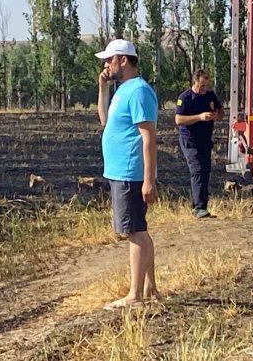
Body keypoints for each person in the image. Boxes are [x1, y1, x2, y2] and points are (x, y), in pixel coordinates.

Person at [95, 39, 161, 309]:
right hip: (120, 171)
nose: (106, 65)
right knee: (138, 230)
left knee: (134, 231)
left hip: (130, 173)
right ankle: (150, 288)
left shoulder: (139, 92)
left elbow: (149, 138)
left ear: (123, 60)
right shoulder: (123, 90)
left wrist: (148, 180)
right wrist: (102, 88)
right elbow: (105, 122)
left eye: (110, 60)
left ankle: (135, 295)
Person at [174, 69, 224, 218]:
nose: (204, 89)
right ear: (194, 82)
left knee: (205, 170)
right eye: (202, 85)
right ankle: (199, 207)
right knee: (197, 170)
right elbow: (179, 120)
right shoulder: (185, 97)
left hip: (205, 140)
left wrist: (216, 115)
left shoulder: (210, 96)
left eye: (206, 85)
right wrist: (200, 117)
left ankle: (199, 204)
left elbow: (221, 113)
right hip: (189, 140)